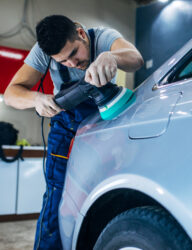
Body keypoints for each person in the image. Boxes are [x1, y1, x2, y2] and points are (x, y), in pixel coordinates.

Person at [3, 15, 143, 249]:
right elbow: (11, 94)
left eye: (74, 54)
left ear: (80, 33)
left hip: (107, 123)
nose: (72, 64)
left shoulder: (103, 37)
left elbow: (136, 59)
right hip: (67, 127)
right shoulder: (41, 52)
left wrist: (111, 57)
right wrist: (36, 98)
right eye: (63, 61)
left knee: (111, 193)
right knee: (57, 197)